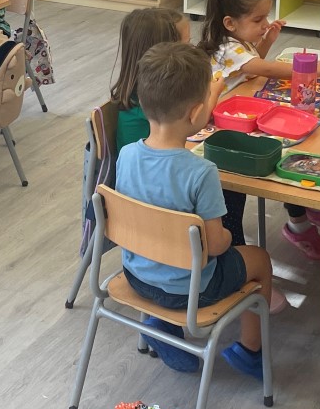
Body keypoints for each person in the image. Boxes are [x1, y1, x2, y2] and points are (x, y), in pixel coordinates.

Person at [116, 41, 274, 378]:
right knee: (260, 259)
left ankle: (159, 322)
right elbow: (215, 246)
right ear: (195, 114)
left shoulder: (127, 154)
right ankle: (250, 351)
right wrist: (228, 235)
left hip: (135, 275)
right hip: (189, 289)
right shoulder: (201, 172)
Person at [197, 0, 320, 261]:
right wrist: (310, 69)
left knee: (301, 132)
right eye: (258, 19)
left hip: (241, 112)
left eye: (266, 17)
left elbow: (252, 64)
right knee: (288, 146)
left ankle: (307, 208)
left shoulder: (236, 41)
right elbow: (264, 69)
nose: (265, 24)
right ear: (230, 23)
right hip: (222, 125)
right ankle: (300, 214)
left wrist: (268, 40)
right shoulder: (227, 46)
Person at [110, 6, 219, 152]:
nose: (192, 50)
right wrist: (212, 93)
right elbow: (192, 123)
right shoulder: (152, 100)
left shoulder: (148, 90)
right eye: (186, 44)